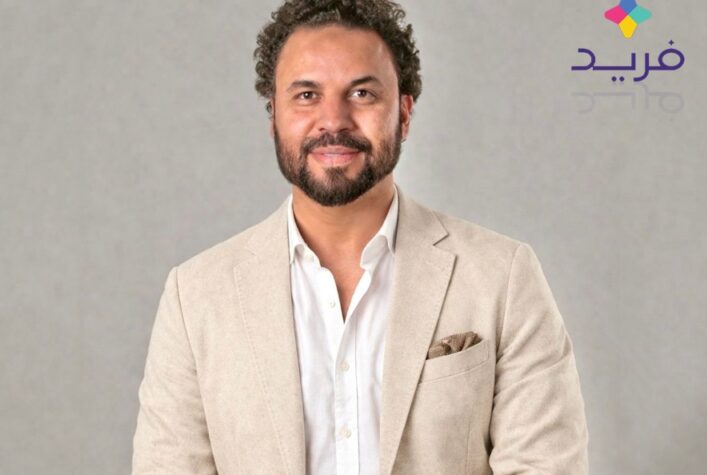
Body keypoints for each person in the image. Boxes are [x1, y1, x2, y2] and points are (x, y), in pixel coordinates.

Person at [131, 1, 589, 473]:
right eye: (306, 95)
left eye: (362, 93)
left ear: (404, 114)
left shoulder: (502, 278)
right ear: (274, 116)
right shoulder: (196, 298)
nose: (333, 120)